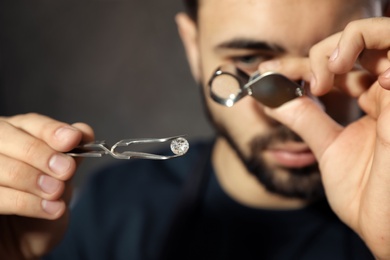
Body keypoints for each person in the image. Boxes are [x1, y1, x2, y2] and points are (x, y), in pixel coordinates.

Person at [1, 0, 390, 259]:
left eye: (340, 56)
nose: (293, 108)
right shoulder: (115, 207)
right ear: (193, 47)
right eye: (250, 59)